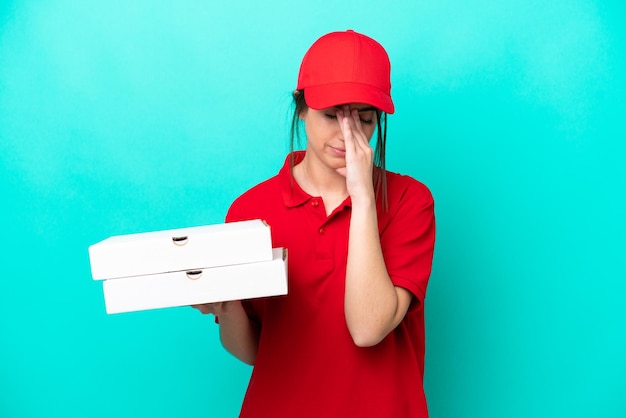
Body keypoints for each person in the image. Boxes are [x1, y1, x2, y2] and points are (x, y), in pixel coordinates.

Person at [193, 29, 436, 417]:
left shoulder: (410, 201)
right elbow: (253, 350)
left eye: (365, 119)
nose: (348, 135)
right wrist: (224, 304)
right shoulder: (250, 210)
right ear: (301, 108)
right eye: (330, 115)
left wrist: (363, 198)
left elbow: (368, 328)